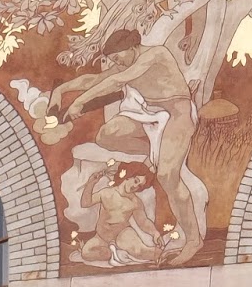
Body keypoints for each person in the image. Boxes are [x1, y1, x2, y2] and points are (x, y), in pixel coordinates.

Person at [49, 30, 204, 262]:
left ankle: (193, 240)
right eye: (112, 59)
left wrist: (80, 102)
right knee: (106, 135)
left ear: (132, 47)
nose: (116, 62)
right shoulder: (126, 63)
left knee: (167, 176)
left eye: (117, 57)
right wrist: (61, 90)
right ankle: (157, 152)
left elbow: (117, 80)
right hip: (148, 113)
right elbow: (95, 80)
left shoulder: (156, 54)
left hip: (176, 113)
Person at [77, 164, 177, 265]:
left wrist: (155, 233)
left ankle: (165, 254)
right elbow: (85, 203)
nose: (135, 186)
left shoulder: (135, 202)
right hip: (102, 236)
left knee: (140, 251)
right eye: (136, 181)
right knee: (86, 253)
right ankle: (117, 253)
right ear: (128, 176)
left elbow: (143, 221)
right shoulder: (106, 193)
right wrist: (91, 183)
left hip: (122, 234)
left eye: (139, 186)